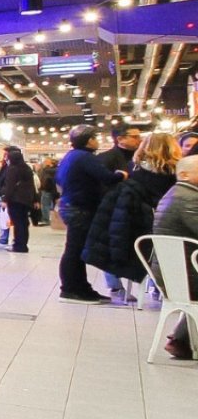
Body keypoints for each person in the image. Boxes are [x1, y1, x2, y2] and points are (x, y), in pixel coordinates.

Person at [84, 131, 179, 305]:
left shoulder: (132, 168)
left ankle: (116, 287)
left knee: (111, 245)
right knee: (165, 251)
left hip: (129, 222)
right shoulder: (176, 173)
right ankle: (159, 288)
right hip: (162, 223)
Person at [56, 125, 120, 301]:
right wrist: (121, 175)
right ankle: (71, 288)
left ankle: (80, 287)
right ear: (89, 140)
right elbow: (106, 177)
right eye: (95, 138)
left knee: (74, 249)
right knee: (75, 250)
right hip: (80, 208)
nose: (97, 141)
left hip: (71, 205)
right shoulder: (85, 157)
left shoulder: (70, 156)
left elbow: (58, 179)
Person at [151, 155, 198, 359]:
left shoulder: (176, 194)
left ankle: (180, 340)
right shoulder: (188, 198)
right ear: (184, 174)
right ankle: (180, 340)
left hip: (175, 273)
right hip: (186, 276)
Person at [96, 127, 144, 299]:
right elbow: (101, 185)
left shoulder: (142, 158)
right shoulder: (106, 158)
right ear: (120, 139)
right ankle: (115, 286)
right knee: (111, 247)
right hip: (113, 209)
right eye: (134, 136)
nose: (139, 139)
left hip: (136, 209)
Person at [0, 146, 38, 254]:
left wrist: (5, 199)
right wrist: (35, 199)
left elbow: (10, 186)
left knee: (17, 223)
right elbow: (32, 185)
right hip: (26, 200)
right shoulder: (27, 168)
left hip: (15, 200)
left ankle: (18, 245)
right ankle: (23, 245)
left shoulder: (12, 169)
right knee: (24, 223)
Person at [37, 156, 59, 226]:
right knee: (55, 205)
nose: (44, 162)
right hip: (55, 190)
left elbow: (45, 180)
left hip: (47, 190)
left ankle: (46, 219)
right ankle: (57, 220)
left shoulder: (47, 170)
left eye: (45, 161)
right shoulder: (57, 170)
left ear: (50, 163)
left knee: (45, 205)